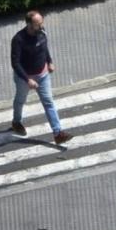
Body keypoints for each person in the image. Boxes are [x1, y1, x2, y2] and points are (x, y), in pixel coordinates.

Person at [10, 10, 73, 145]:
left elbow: (44, 47)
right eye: (37, 24)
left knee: (48, 102)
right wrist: (28, 79)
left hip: (42, 74)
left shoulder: (42, 32)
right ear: (29, 25)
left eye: (41, 22)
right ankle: (16, 122)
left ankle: (58, 133)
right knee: (20, 100)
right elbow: (15, 63)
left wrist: (49, 61)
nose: (41, 26)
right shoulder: (19, 39)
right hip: (25, 78)